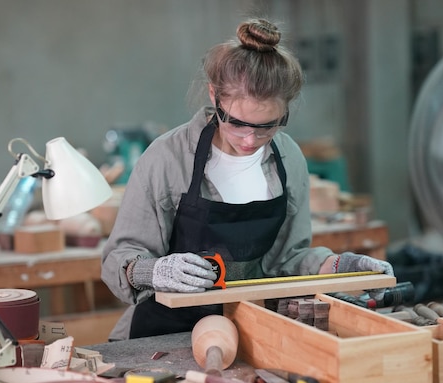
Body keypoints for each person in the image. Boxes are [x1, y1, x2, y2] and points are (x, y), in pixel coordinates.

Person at [101, 17, 394, 340]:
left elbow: (288, 260)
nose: (249, 141)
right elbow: (118, 260)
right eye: (237, 123)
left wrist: (343, 266)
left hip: (252, 332)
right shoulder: (167, 158)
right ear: (214, 96)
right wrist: (152, 271)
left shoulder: (287, 158)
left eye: (267, 126)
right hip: (163, 334)